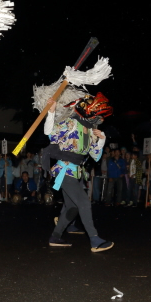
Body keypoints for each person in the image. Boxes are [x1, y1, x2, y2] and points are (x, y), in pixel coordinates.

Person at [45, 93, 114, 252]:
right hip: (63, 170)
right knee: (83, 202)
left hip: (75, 172)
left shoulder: (91, 131)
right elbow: (50, 133)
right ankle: (94, 239)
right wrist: (51, 112)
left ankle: (55, 236)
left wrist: (102, 139)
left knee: (73, 207)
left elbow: (95, 155)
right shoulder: (70, 123)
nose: (98, 119)